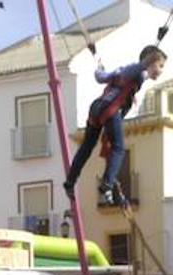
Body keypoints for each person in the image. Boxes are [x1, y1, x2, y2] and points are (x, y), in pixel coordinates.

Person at [62, 45, 166, 206]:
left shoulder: (126, 73)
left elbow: (100, 76)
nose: (161, 71)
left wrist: (98, 62)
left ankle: (69, 182)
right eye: (160, 66)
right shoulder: (135, 70)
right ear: (150, 62)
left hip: (96, 109)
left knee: (86, 148)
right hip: (110, 110)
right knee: (118, 149)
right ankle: (106, 186)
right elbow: (141, 67)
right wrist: (148, 59)